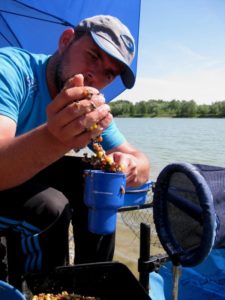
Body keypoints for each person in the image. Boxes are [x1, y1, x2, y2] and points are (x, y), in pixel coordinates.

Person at [0, 15, 150, 288]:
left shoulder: (88, 106)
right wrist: (55, 139)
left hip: (20, 181)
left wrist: (128, 166)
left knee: (97, 179)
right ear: (66, 41)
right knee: (50, 206)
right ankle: (47, 290)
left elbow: (142, 164)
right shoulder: (11, 69)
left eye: (109, 74)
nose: (96, 75)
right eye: (93, 56)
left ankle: (91, 284)